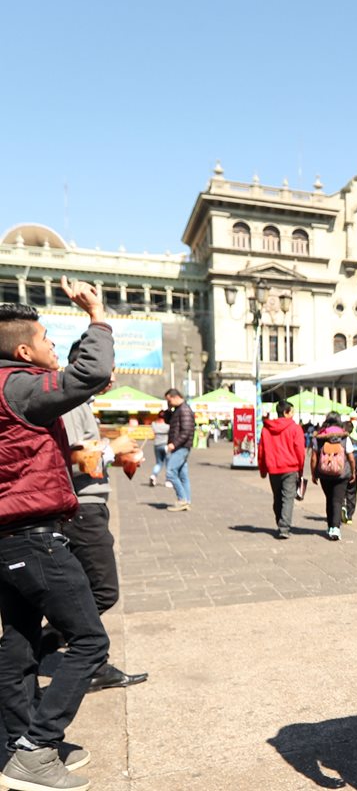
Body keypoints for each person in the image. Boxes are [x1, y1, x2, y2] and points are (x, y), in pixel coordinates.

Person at [0, 281, 116, 791]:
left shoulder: (8, 387)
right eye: (47, 339)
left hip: (7, 538)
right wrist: (96, 314)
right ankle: (36, 749)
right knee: (90, 641)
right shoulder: (20, 384)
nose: (52, 347)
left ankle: (14, 743)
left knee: (20, 644)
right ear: (24, 350)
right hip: (35, 538)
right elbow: (89, 369)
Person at [59, 343, 149, 695]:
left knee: (87, 588)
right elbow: (69, 458)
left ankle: (94, 662)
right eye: (108, 367)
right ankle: (59, 640)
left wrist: (118, 455)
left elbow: (85, 455)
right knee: (103, 590)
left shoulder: (81, 403)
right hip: (81, 508)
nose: (112, 376)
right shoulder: (68, 403)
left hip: (88, 503)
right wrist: (116, 448)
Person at [258, 401, 306, 540]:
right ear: (286, 412)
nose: (293, 414)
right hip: (290, 468)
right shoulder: (295, 428)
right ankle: (284, 527)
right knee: (288, 498)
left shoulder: (266, 429)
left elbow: (261, 451)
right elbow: (299, 450)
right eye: (292, 412)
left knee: (277, 497)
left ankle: (281, 521)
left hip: (273, 468)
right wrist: (300, 468)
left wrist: (263, 469)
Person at [311, 412, 355, 541]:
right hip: (341, 474)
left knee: (329, 499)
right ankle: (335, 528)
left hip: (324, 473)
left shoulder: (319, 437)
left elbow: (314, 458)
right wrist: (353, 472)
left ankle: (330, 525)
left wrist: (314, 473)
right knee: (337, 500)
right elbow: (351, 457)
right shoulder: (344, 437)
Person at [163, 388, 194, 512]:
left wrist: (174, 444)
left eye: (169, 400)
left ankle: (182, 500)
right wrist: (168, 409)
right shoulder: (178, 410)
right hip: (182, 446)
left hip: (181, 446)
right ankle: (187, 500)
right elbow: (168, 421)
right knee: (182, 474)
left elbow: (186, 431)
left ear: (175, 397)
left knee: (170, 472)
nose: (169, 403)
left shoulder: (184, 410)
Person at [148, 411, 169, 487]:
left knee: (158, 463)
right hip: (166, 445)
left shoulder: (154, 424)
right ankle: (168, 480)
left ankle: (153, 476)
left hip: (157, 445)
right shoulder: (167, 426)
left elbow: (153, 433)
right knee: (168, 463)